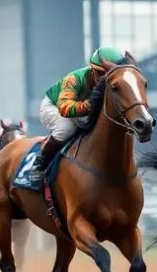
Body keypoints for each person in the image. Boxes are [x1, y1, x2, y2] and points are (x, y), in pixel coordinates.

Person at [24, 47, 124, 188]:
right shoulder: (74, 79)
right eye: (104, 74)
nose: (108, 78)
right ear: (94, 71)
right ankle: (38, 165)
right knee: (67, 128)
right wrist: (90, 105)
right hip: (53, 106)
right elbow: (64, 108)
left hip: (79, 110)